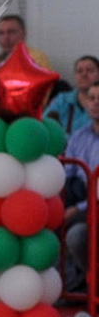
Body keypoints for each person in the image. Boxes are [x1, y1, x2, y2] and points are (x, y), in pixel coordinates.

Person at [62, 81, 99, 292]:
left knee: (76, 235)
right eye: (92, 98)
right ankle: (71, 286)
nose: (95, 103)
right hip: (81, 200)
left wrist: (78, 208)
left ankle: (93, 287)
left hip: (93, 206)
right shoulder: (78, 136)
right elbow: (66, 177)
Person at [46, 55, 99, 136]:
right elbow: (44, 124)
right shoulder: (62, 99)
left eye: (89, 70)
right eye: (79, 71)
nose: (84, 74)